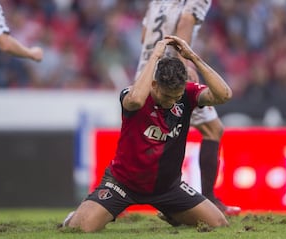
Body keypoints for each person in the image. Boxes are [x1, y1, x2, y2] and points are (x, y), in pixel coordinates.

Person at [62, 35, 231, 232]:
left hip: (168, 188)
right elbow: (134, 101)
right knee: (79, 228)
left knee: (218, 222)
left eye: (176, 97)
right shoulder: (134, 95)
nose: (171, 102)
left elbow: (224, 94)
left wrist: (193, 57)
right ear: (154, 84)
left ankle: (172, 212)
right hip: (122, 184)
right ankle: (77, 215)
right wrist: (155, 56)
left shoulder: (186, 94)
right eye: (166, 96)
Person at [136, 0, 240, 215]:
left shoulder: (157, 1)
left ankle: (116, 196)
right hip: (173, 73)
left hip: (146, 74)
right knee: (213, 129)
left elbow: (144, 35)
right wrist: (186, 65)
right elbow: (185, 21)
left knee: (142, 136)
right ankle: (207, 200)